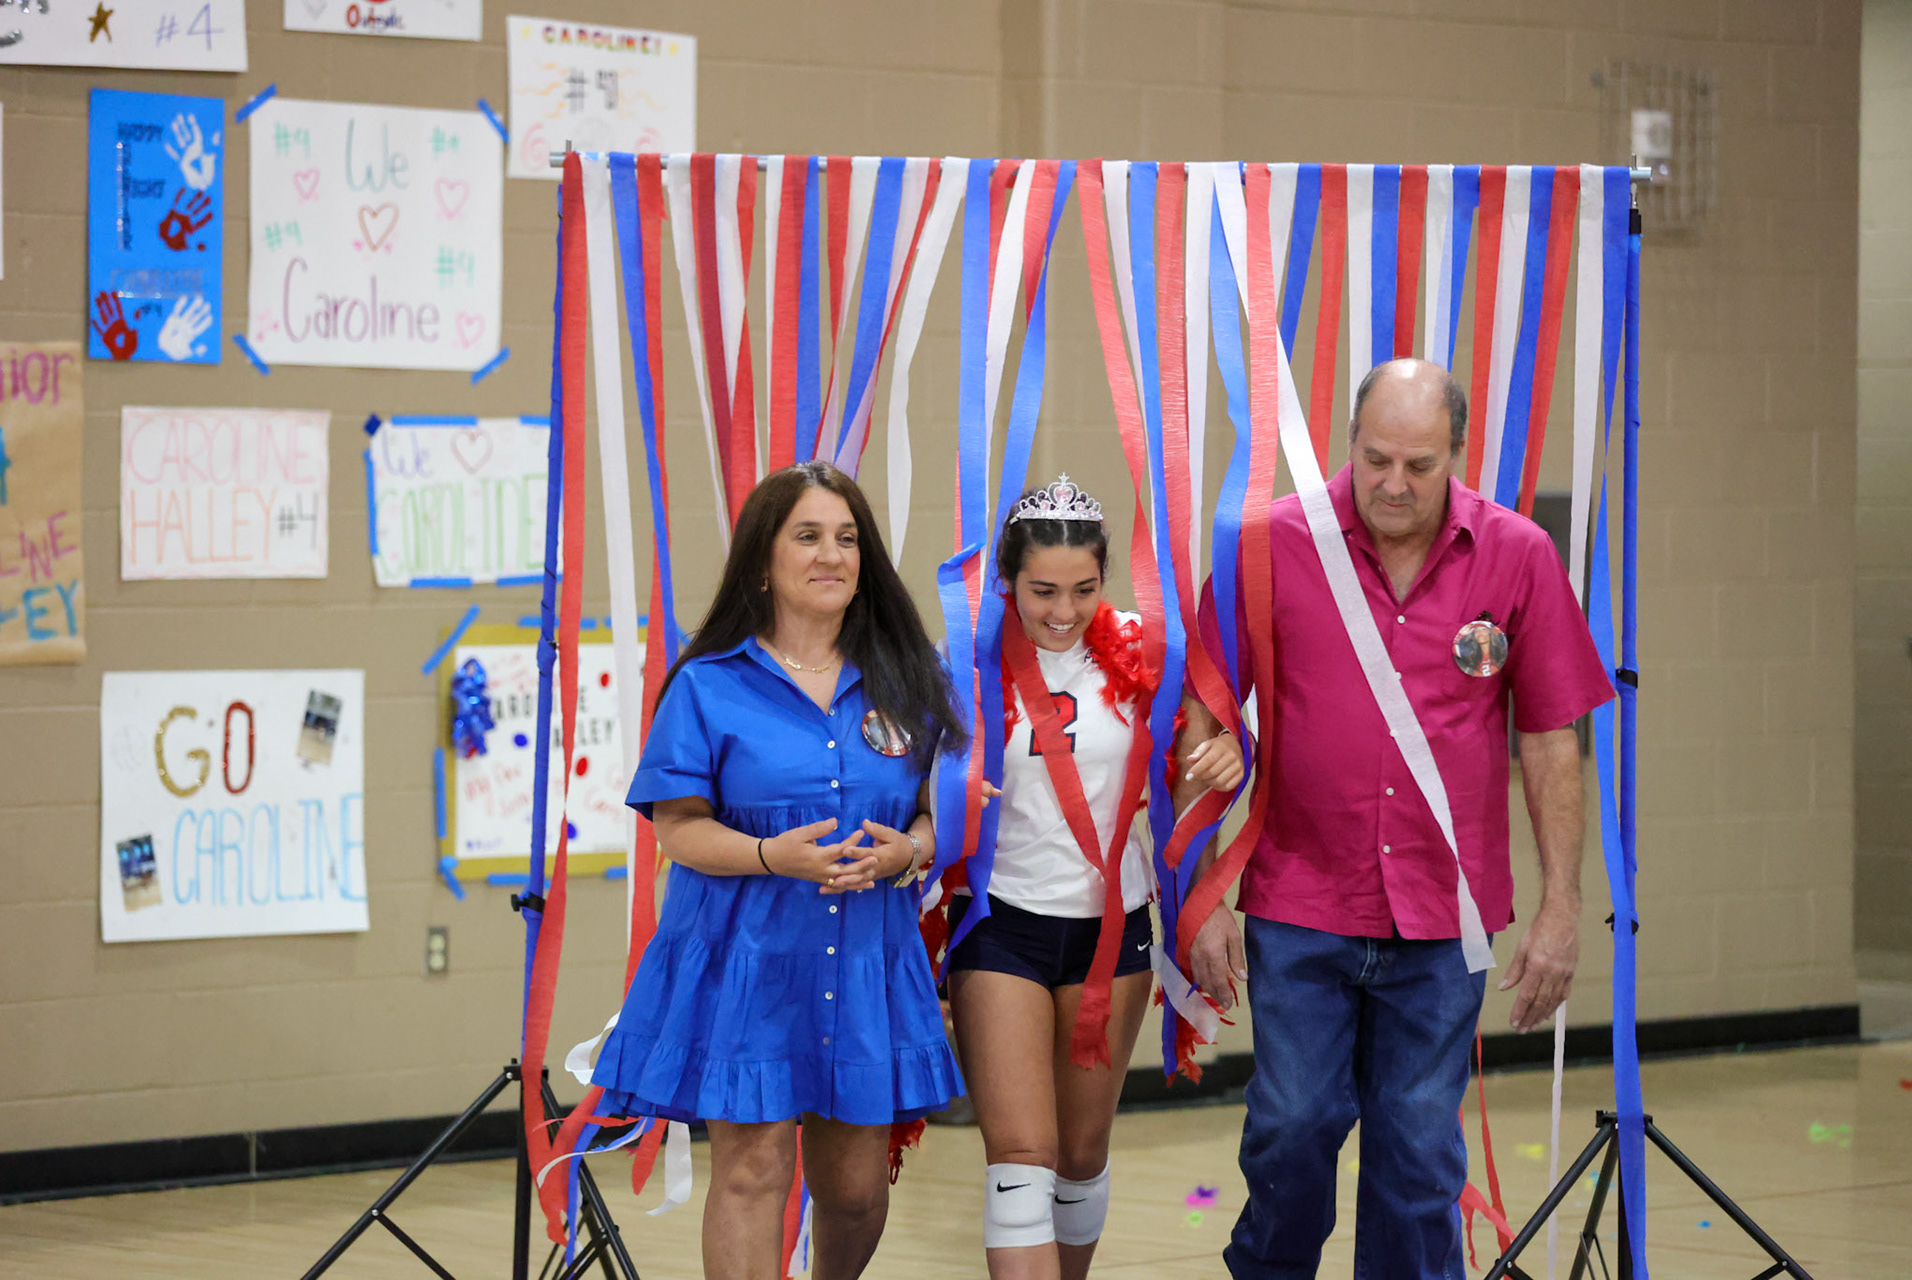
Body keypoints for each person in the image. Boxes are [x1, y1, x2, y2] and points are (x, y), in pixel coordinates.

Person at [1179, 359, 1615, 1279]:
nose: (1393, 484)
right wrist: (1200, 894)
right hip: (1302, 902)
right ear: (1349, 442)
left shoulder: (1517, 554)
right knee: (1293, 1132)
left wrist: (1561, 910)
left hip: (1444, 918)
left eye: (1419, 465)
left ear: (1456, 453)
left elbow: (1550, 739)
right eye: (1376, 459)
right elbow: (1207, 718)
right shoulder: (1270, 546)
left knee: (1419, 1162)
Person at [593, 460, 966, 1280]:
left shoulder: (910, 679)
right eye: (808, 536)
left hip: (865, 960)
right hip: (746, 964)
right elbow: (678, 832)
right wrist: (771, 856)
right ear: (764, 560)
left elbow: (946, 808)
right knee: (754, 1169)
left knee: (858, 1189)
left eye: (846, 538)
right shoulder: (707, 686)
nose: (831, 554)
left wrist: (912, 850)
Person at [945, 475, 1244, 1280]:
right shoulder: (966, 664)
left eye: (1083, 589)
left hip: (1114, 932)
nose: (1063, 611)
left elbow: (1190, 770)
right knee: (1022, 1153)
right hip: (1000, 926)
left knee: (1079, 1154)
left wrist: (1218, 761)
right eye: (1042, 590)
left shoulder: (1150, 655)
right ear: (1009, 581)